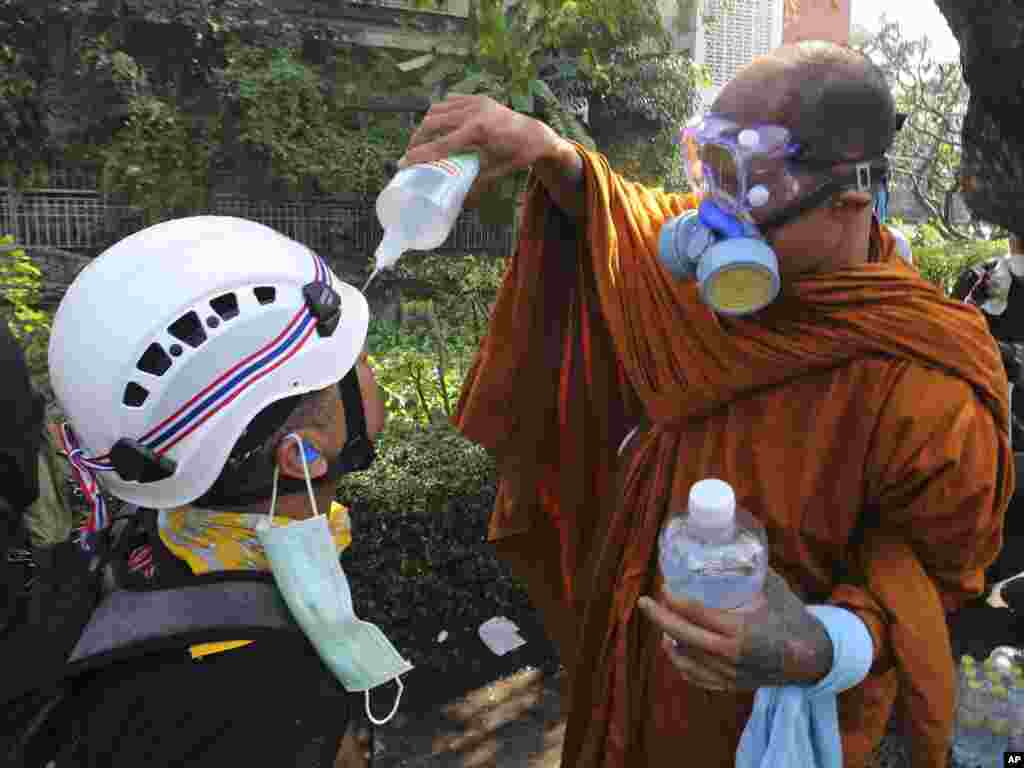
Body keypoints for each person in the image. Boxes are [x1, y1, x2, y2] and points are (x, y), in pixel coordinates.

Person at [400, 40, 1013, 767]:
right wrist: (547, 150)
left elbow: (931, 579)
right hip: (636, 664)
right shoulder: (701, 282)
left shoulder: (922, 378)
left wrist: (823, 644)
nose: (706, 215)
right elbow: (620, 220)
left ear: (849, 195)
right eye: (705, 169)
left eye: (738, 179)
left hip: (767, 719)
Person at [39, 215, 388, 767]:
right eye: (358, 361)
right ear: (301, 455)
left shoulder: (150, 550)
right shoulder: (265, 701)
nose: (373, 368)